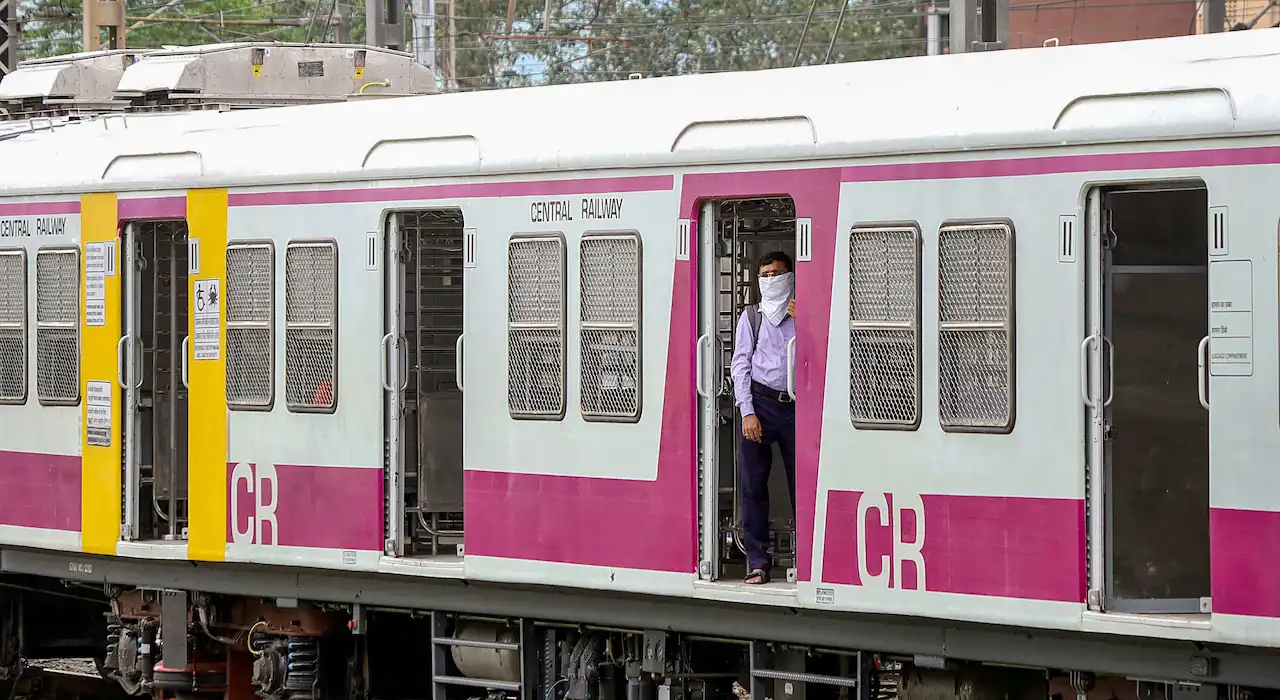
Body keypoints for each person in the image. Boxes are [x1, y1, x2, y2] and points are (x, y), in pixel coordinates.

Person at [730, 250, 797, 585]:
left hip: (797, 405)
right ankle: (758, 562)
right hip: (761, 403)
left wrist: (808, 320)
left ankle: (806, 557)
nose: (771, 280)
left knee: (803, 483)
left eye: (777, 274)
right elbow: (740, 364)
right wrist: (748, 411)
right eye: (765, 275)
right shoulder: (751, 317)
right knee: (753, 485)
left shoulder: (803, 312)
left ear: (791, 276)